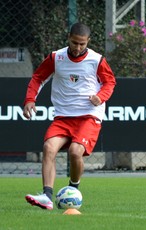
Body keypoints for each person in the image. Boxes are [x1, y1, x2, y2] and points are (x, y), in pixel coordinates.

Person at [23, 22, 116, 210]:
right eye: (75, 43)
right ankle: (47, 196)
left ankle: (73, 189)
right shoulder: (56, 57)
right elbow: (38, 78)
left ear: (88, 41)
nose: (78, 47)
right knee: (48, 147)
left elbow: (110, 82)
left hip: (89, 116)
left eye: (82, 44)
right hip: (63, 117)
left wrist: (100, 97)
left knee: (75, 152)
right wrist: (30, 99)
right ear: (69, 38)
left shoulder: (96, 60)